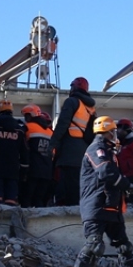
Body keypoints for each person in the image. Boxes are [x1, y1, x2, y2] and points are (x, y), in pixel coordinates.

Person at [64, 116, 133, 267]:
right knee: (93, 245)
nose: (116, 135)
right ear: (108, 132)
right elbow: (106, 172)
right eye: (113, 131)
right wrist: (127, 185)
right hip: (96, 206)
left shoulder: (109, 151)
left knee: (124, 246)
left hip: (111, 207)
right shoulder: (96, 149)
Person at [50, 77, 96, 206]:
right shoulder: (90, 108)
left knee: (65, 182)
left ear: (74, 88)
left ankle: (65, 211)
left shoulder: (71, 102)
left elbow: (62, 124)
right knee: (77, 183)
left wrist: (52, 144)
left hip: (69, 148)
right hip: (83, 150)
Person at [22, 105, 55, 207]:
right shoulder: (50, 132)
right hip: (47, 171)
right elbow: (54, 153)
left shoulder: (28, 127)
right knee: (39, 200)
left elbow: (22, 146)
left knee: (26, 199)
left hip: (32, 170)